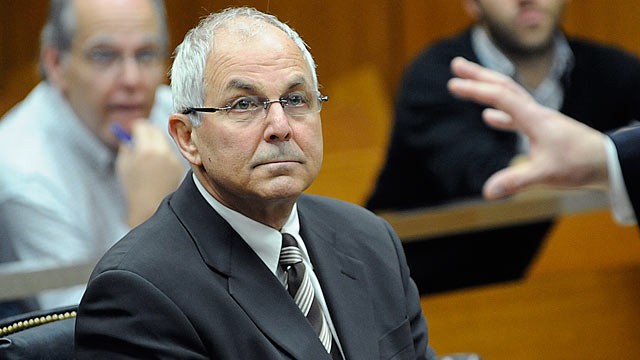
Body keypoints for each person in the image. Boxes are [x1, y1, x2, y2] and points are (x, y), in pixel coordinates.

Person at [74, 7, 436, 359]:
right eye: (244, 104)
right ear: (187, 138)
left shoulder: (370, 239)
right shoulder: (138, 290)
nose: (280, 126)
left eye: (296, 99)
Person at [366, 0, 640, 294]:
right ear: (472, 4)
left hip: (578, 289)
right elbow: (481, 174)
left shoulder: (614, 71)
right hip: (432, 292)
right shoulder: (439, 76)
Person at [0, 0, 184, 313]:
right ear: (56, 64)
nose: (132, 79)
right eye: (104, 56)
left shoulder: (178, 119)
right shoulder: (21, 170)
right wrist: (150, 219)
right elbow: (86, 329)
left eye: (145, 54)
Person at [447, 56, 639, 223]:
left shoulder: (612, 66)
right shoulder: (436, 79)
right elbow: (473, 170)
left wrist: (602, 156)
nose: (524, 10)